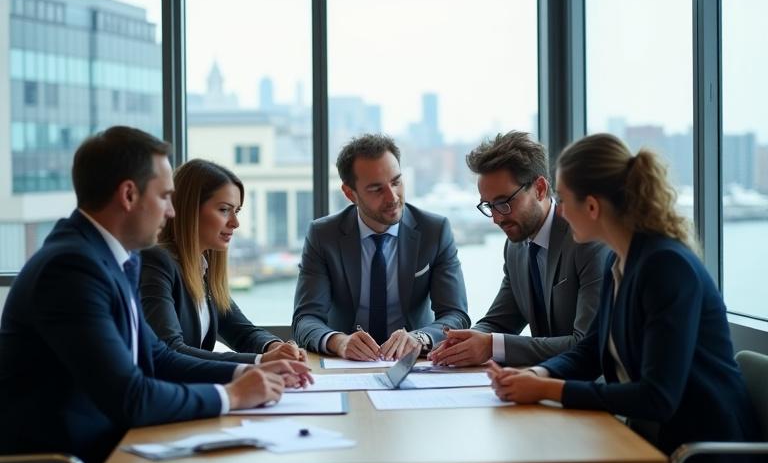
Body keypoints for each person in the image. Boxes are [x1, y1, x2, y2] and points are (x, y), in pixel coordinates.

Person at [0, 126, 311, 463]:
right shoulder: (71, 269)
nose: (172, 212)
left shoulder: (115, 259)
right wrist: (233, 396)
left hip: (116, 444)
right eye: (164, 197)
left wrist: (248, 372)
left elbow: (158, 357)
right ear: (128, 195)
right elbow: (130, 397)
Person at [488, 133, 762, 463]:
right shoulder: (621, 261)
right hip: (648, 442)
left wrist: (546, 389)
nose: (560, 211)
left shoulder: (666, 266)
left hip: (700, 460)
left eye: (564, 199)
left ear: (592, 206)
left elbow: (657, 397)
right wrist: (539, 374)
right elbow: (591, 348)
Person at [429, 131, 607, 367]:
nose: (496, 219)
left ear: (540, 189)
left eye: (503, 203)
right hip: (540, 381)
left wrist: (491, 346)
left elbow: (586, 344)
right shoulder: (516, 248)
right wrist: (460, 342)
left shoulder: (586, 241)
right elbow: (499, 322)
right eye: (489, 206)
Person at [292, 133, 470, 360]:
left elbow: (456, 315)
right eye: (376, 189)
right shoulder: (323, 235)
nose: (392, 197)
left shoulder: (434, 231)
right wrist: (339, 342)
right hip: (346, 363)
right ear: (350, 193)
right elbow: (305, 319)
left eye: (396, 182)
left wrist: (420, 338)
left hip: (414, 361)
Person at [140, 159, 306, 364]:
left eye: (237, 211)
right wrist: (259, 361)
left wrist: (276, 348)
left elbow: (242, 332)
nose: (235, 223)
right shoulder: (157, 262)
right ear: (190, 209)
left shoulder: (202, 268)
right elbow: (170, 350)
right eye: (224, 210)